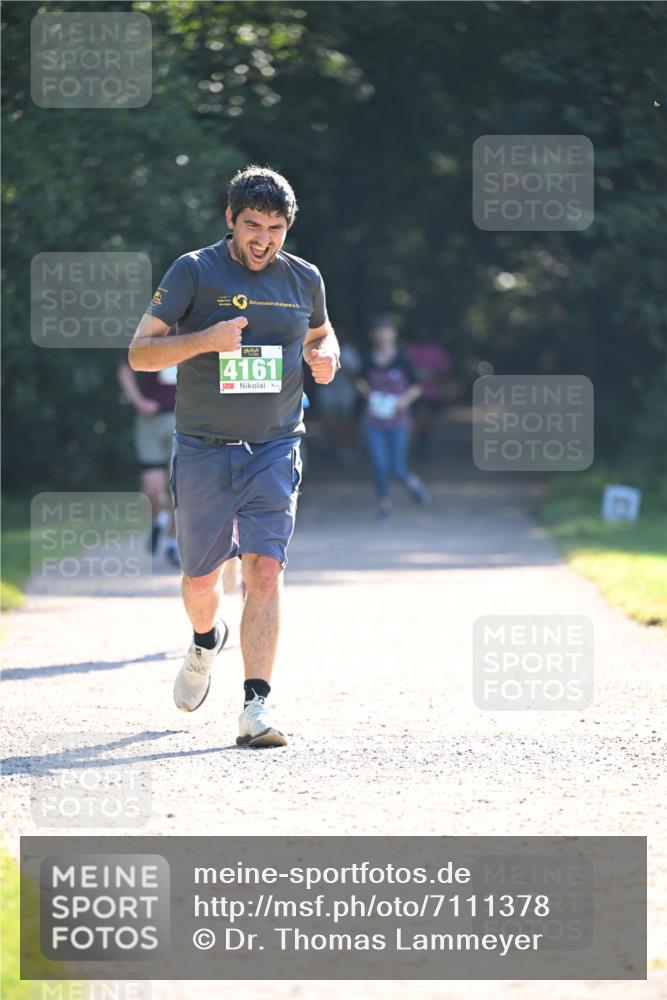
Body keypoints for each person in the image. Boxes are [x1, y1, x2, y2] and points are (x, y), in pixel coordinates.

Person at [127, 165, 339, 748]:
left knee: (264, 570)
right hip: (202, 448)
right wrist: (205, 340)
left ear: (288, 227)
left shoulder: (305, 278)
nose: (263, 239)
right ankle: (203, 640)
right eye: (252, 225)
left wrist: (327, 357)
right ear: (230, 219)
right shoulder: (194, 271)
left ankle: (256, 708)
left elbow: (322, 334)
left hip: (275, 444)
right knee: (200, 579)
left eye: (275, 228)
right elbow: (141, 354)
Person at [357, 317, 430, 520]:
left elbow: (417, 386)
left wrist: (403, 401)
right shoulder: (368, 358)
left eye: (386, 330)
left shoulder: (403, 359)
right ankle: (384, 505)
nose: (383, 334)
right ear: (374, 335)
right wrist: (367, 394)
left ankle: (413, 485)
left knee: (396, 467)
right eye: (379, 330)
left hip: (398, 421)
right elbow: (360, 381)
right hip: (373, 420)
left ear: (393, 333)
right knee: (380, 464)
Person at [117, 361, 180, 566]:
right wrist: (139, 401)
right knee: (152, 488)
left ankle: (173, 543)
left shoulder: (197, 331)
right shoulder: (152, 330)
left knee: (178, 486)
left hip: (184, 419)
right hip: (151, 420)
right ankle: (158, 519)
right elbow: (125, 369)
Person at [406, 339, 451, 459]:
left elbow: (444, 370)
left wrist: (432, 374)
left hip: (431, 393)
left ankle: (423, 444)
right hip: (413, 394)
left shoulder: (435, 351)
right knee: (417, 421)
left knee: (427, 423)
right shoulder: (410, 351)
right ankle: (418, 444)